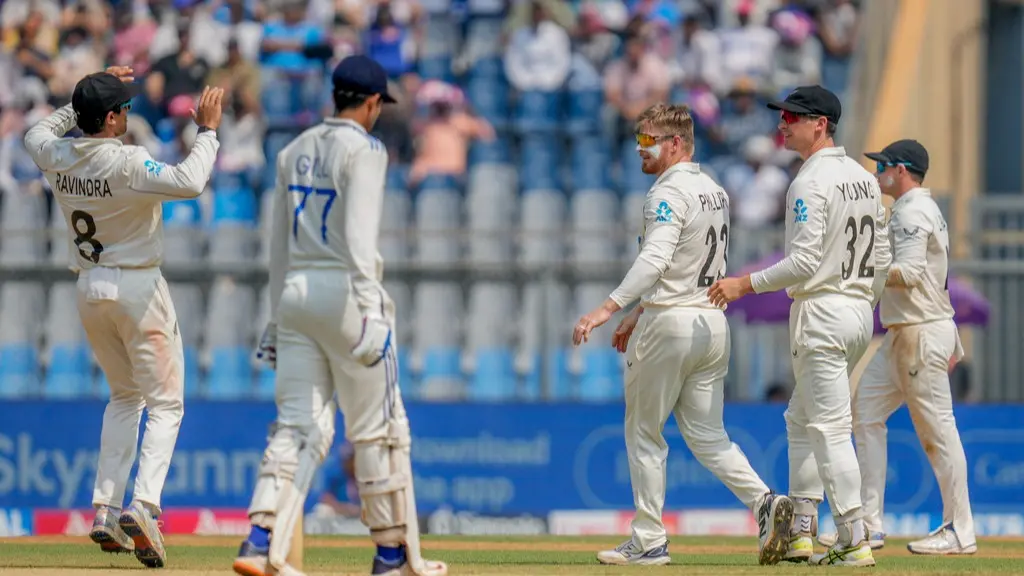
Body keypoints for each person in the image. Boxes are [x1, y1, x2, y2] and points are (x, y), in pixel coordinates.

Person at [231, 55, 447, 576]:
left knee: (297, 428)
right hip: (347, 296)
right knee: (380, 430)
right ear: (372, 103)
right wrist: (371, 309)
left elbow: (278, 244)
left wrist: (276, 317)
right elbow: (358, 237)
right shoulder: (367, 150)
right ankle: (391, 556)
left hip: (296, 295)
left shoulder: (292, 149)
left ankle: (258, 542)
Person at [572, 102, 794, 567]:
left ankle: (649, 539)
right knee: (709, 435)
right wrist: (639, 312)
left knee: (644, 432)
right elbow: (683, 264)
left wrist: (609, 308)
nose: (640, 148)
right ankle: (766, 503)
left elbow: (655, 260)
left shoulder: (666, 194)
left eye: (649, 140)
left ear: (676, 143)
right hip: (711, 322)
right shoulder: (715, 190)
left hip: (671, 324)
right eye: (638, 139)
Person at [23, 67, 223, 568]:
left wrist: (82, 95)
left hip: (89, 288)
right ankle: (144, 506)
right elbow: (192, 181)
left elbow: (36, 133)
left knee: (124, 397)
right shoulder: (128, 161)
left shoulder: (57, 154)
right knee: (167, 404)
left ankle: (106, 508)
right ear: (111, 119)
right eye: (124, 110)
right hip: (137, 285)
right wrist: (209, 133)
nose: (129, 116)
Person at [708, 85, 891, 567]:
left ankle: (854, 536)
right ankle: (804, 530)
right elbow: (883, 255)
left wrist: (744, 284)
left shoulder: (808, 182)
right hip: (854, 310)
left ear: (821, 124)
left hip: (823, 311)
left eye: (794, 116)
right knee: (801, 418)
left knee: (830, 426)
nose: (782, 123)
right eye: (783, 115)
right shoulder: (865, 179)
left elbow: (804, 261)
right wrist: (862, 300)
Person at [818, 140, 977, 555]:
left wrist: (858, 264)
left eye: (883, 166)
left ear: (902, 170)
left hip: (920, 332)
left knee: (938, 431)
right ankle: (869, 524)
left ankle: (959, 530)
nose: (877, 172)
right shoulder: (908, 210)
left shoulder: (912, 211)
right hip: (902, 335)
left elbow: (907, 273)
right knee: (865, 411)